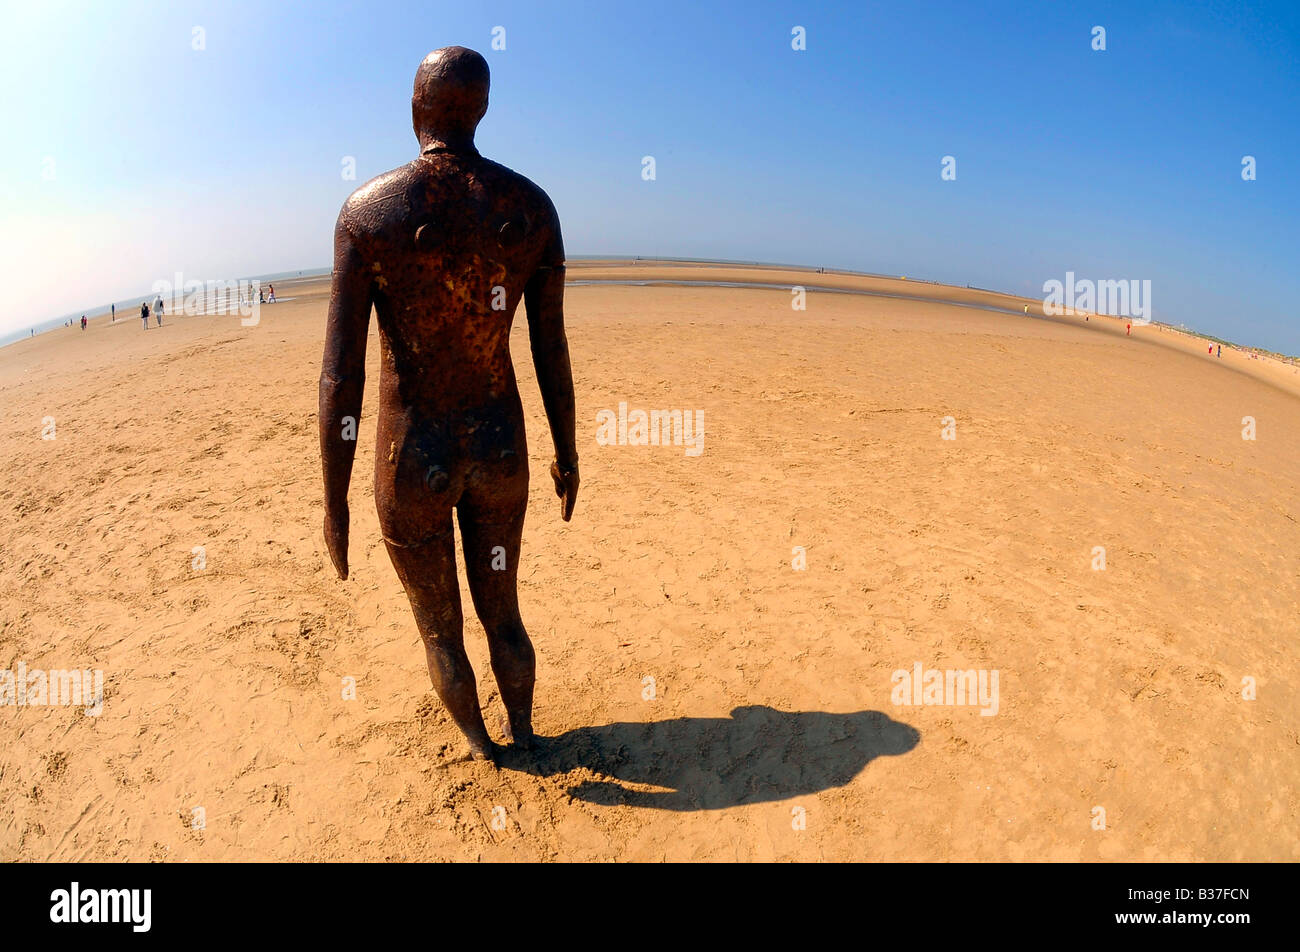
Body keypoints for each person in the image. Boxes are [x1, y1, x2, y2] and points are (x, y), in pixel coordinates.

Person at [319, 47, 578, 764]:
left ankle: (480, 743)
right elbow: (549, 347)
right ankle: (524, 731)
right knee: (504, 612)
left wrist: (334, 501)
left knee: (441, 629)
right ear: (482, 109)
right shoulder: (530, 207)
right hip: (500, 446)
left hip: (414, 457)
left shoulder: (368, 212)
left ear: (416, 107)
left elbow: (341, 376)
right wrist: (567, 451)